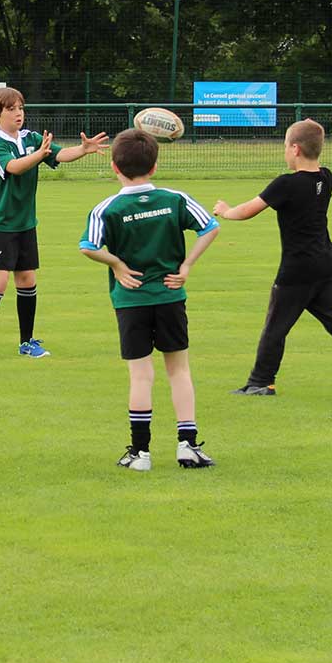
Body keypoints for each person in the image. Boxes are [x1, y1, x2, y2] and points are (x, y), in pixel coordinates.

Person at [212, 118, 332, 402]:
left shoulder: (286, 184)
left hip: (298, 269)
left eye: (286, 146)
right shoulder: (326, 177)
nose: (285, 152)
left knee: (275, 327)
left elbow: (247, 211)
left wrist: (225, 210)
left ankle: (261, 382)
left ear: (296, 149)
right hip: (324, 264)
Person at [79, 129, 221, 470]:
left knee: (141, 375)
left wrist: (116, 263)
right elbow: (210, 227)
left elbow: (88, 247)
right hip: (171, 296)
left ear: (114, 166)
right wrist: (186, 266)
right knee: (179, 370)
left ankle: (140, 453)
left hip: (131, 301)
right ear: (154, 166)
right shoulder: (174, 199)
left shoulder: (107, 209)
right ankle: (188, 446)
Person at [0, 87, 107, 360]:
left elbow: (58, 154)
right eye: (11, 109)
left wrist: (83, 149)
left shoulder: (32, 138)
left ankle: (27, 342)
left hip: (25, 224)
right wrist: (40, 154)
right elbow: (15, 167)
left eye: (20, 108)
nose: (18, 113)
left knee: (27, 279)